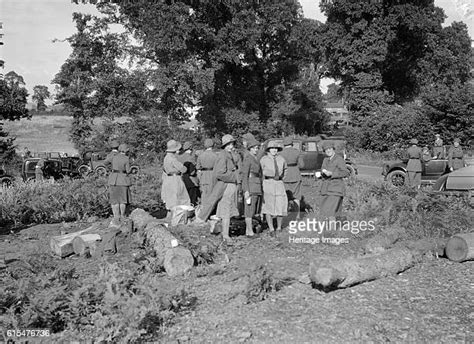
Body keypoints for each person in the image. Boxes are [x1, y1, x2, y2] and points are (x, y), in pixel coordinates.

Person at [260, 140, 287, 236]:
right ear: (268, 150)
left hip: (279, 183)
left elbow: (285, 171)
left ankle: (279, 227)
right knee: (268, 206)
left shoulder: (282, 159)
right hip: (268, 183)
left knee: (280, 204)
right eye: (272, 148)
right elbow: (260, 172)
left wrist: (281, 179)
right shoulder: (264, 159)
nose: (274, 150)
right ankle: (271, 228)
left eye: (276, 148)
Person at [319, 141, 349, 223]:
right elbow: (323, 170)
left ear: (333, 149)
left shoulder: (339, 159)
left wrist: (332, 174)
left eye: (329, 149)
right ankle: (335, 229)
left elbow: (345, 172)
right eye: (326, 150)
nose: (328, 151)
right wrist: (321, 173)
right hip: (326, 189)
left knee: (330, 211)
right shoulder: (325, 160)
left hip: (336, 188)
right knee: (330, 212)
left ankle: (331, 231)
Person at [161, 140, 191, 220]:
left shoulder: (166, 157)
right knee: (181, 198)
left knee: (170, 199)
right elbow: (183, 170)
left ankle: (169, 218)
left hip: (168, 179)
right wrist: (186, 165)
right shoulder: (173, 159)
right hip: (175, 179)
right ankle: (179, 218)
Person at [241, 137, 263, 237]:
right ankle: (249, 231)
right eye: (254, 148)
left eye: (257, 148)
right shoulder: (247, 159)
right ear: (249, 149)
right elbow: (244, 175)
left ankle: (248, 230)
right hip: (250, 186)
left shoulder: (255, 159)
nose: (256, 150)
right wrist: (246, 190)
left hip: (256, 186)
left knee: (253, 209)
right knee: (249, 210)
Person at [106, 143, 132, 227]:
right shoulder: (126, 158)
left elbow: (105, 162)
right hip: (123, 180)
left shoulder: (113, 157)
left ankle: (115, 217)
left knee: (114, 200)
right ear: (126, 151)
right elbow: (127, 170)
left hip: (113, 179)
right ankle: (122, 217)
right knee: (123, 200)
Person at [280, 137, 304, 220]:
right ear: (292, 144)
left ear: (284, 144)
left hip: (285, 176)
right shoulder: (297, 152)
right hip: (295, 174)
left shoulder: (281, 153)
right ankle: (297, 216)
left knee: (285, 196)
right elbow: (302, 165)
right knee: (296, 197)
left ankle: (285, 215)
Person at [196, 138, 217, 207]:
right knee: (212, 193)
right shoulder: (216, 155)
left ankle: (203, 210)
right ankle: (211, 210)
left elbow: (198, 167)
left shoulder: (201, 155)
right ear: (213, 145)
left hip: (204, 175)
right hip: (213, 174)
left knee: (204, 193)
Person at [178, 141, 200, 205]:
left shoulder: (179, 156)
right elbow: (192, 171)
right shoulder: (190, 157)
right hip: (190, 178)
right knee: (192, 194)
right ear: (190, 148)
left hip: (180, 178)